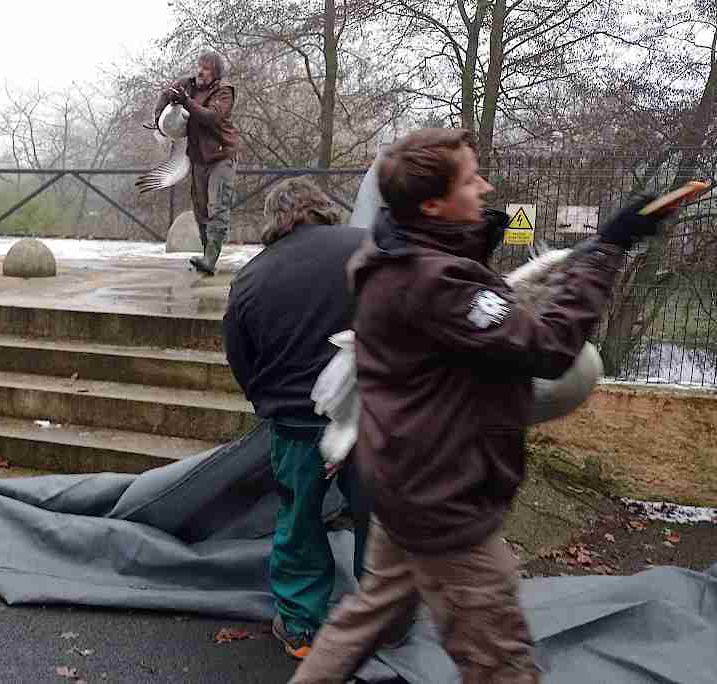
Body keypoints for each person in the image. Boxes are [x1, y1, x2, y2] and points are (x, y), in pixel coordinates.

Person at [289, 128, 673, 683]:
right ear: (432, 204)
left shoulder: (393, 254)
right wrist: (608, 250)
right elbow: (546, 348)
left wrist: (587, 252)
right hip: (446, 502)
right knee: (502, 664)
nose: (485, 187)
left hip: (405, 481)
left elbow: (485, 327)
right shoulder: (437, 281)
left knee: (364, 617)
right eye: (470, 180)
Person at [223, 177, 372, 660]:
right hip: (369, 415)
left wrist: (267, 401)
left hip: (295, 420)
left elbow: (240, 356)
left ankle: (300, 627)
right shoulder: (365, 247)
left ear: (274, 218)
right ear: (323, 208)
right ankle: (384, 620)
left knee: (299, 518)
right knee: (379, 515)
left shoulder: (250, 277)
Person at [154, 51, 240, 275]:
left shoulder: (224, 91)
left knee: (218, 207)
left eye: (207, 68)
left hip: (221, 157)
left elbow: (211, 117)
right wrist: (159, 120)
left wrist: (186, 102)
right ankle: (205, 254)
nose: (200, 71)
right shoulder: (188, 84)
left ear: (216, 72)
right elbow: (166, 94)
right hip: (198, 158)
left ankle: (211, 258)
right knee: (200, 209)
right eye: (200, 66)